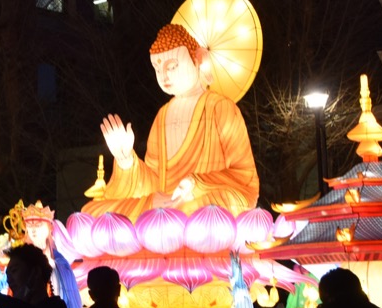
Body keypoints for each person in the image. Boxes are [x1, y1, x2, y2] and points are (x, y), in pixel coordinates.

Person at [84, 23, 258, 219]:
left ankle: (164, 221)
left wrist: (196, 184)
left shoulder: (221, 108)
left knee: (208, 209)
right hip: (166, 206)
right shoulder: (162, 115)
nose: (164, 76)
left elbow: (245, 177)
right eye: (157, 68)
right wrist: (126, 161)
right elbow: (153, 183)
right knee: (92, 212)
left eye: (172, 66)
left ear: (198, 59)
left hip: (204, 202)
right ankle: (163, 220)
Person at [21, 201, 82, 308]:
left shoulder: (58, 259)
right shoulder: (23, 257)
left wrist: (50, 264)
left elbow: (65, 283)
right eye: (30, 225)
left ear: (49, 227)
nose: (33, 230)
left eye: (38, 225)